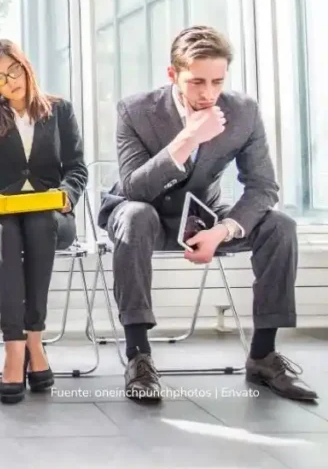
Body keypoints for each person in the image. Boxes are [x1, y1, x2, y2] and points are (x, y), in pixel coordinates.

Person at [98, 25, 317, 404]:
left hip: (202, 217)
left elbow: (263, 187)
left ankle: (263, 355)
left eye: (217, 81)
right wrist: (187, 140)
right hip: (142, 212)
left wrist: (225, 230)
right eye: (197, 82)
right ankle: (138, 357)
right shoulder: (135, 111)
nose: (208, 93)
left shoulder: (243, 112)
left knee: (281, 226)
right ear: (173, 74)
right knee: (135, 217)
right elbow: (135, 187)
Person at [0, 40, 87, 404]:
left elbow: (77, 168)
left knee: (36, 223)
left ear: (25, 65)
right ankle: (16, 347)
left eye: (12, 71)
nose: (9, 82)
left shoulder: (59, 110)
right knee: (6, 229)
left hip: (52, 215)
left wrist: (66, 195)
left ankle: (33, 337)